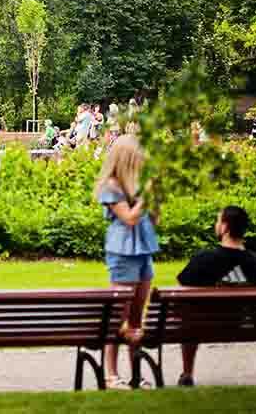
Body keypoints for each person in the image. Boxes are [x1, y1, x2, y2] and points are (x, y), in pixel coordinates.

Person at [175, 206, 256, 387]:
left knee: (188, 318)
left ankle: (187, 372)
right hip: (240, 324)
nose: (216, 224)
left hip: (202, 325)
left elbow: (182, 288)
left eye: (218, 221)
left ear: (225, 228)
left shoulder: (204, 258)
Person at [95, 135, 159, 390]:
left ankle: (136, 373)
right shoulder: (111, 186)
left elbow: (151, 222)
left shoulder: (136, 186)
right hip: (123, 253)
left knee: (135, 321)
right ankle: (110, 373)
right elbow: (130, 218)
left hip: (143, 250)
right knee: (116, 318)